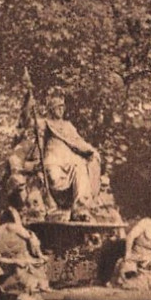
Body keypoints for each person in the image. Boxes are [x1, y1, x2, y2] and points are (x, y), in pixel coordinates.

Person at [42, 89, 102, 221]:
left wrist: (91, 150)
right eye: (58, 107)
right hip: (53, 157)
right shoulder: (45, 123)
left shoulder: (68, 126)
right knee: (53, 176)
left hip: (68, 158)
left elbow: (78, 141)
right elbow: (37, 143)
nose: (61, 110)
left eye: (62, 107)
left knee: (79, 166)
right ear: (51, 108)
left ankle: (80, 207)